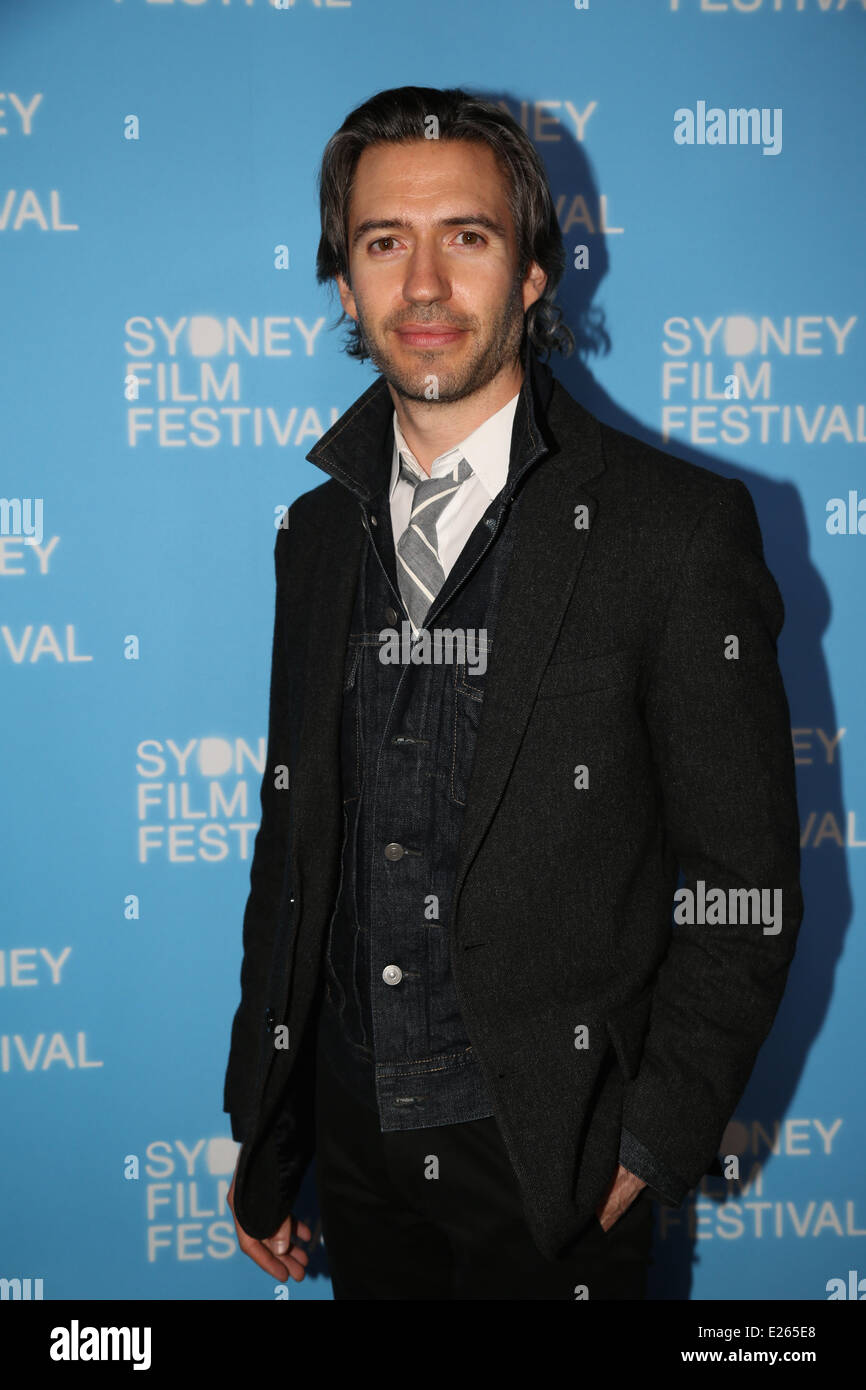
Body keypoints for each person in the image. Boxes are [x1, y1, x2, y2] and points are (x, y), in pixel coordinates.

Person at [223, 85, 803, 1300]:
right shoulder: (315, 534)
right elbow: (296, 848)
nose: (423, 286)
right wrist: (267, 1127)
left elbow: (743, 880)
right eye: (386, 242)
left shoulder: (674, 532)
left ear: (533, 272)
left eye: (467, 238)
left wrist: (647, 1140)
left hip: (550, 1163)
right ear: (344, 281)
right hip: (351, 1136)